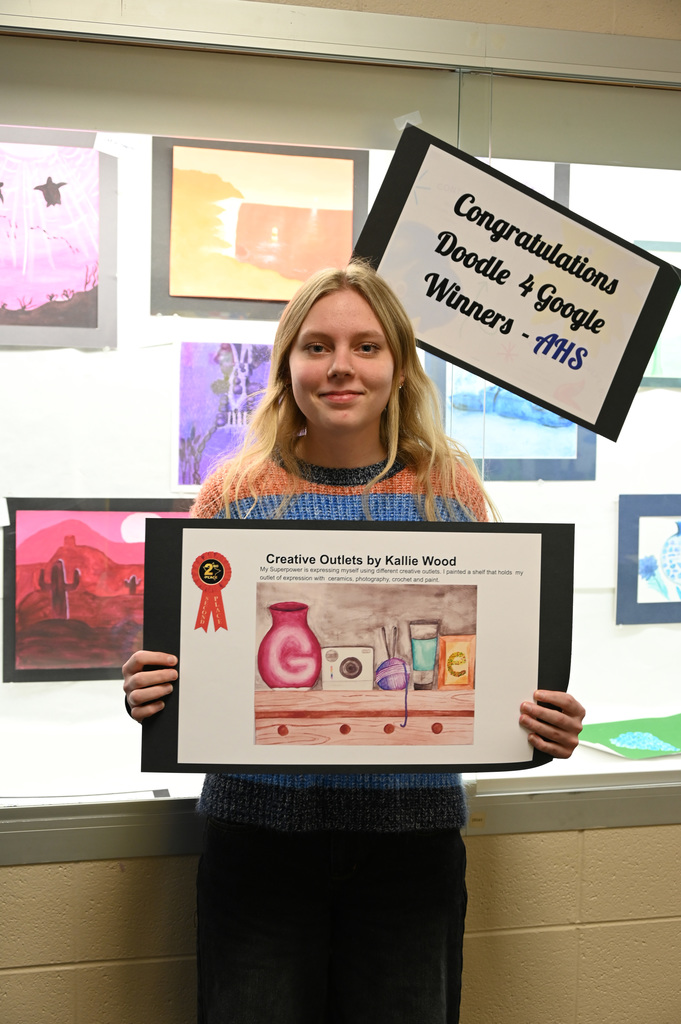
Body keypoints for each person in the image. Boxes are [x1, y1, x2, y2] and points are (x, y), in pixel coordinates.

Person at [123, 261, 585, 1024]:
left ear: (399, 366)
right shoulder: (233, 495)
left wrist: (538, 717)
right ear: (287, 367)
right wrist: (153, 690)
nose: (341, 366)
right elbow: (193, 660)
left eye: (366, 346)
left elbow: (498, 652)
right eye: (317, 346)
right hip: (257, 841)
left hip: (410, 847)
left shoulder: (449, 491)